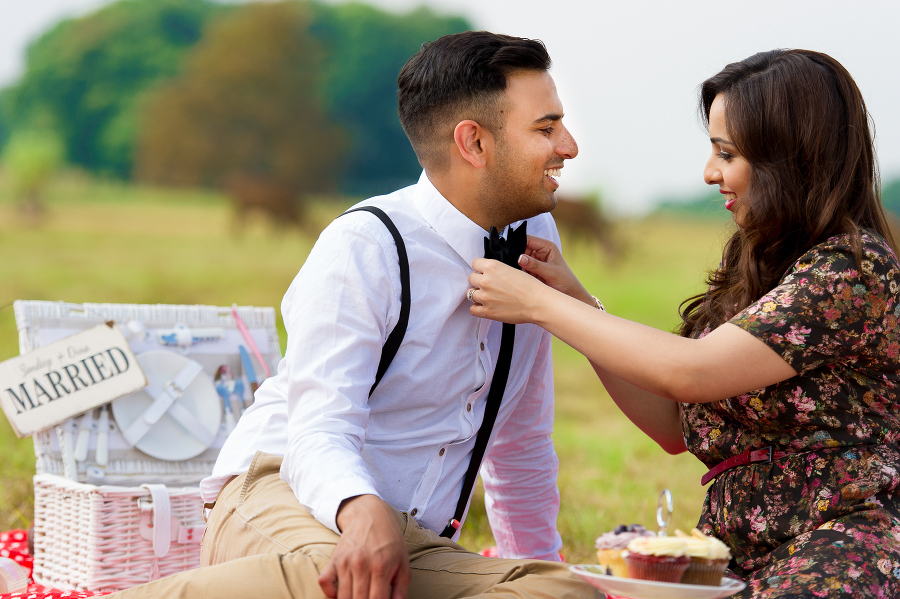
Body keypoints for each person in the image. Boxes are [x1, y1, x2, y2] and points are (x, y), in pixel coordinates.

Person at [109, 31, 600, 599]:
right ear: (474, 142)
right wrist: (361, 510)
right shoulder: (366, 245)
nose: (568, 145)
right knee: (340, 584)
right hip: (287, 494)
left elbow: (520, 443)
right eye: (546, 127)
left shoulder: (534, 237)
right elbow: (319, 431)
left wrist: (539, 573)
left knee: (566, 596)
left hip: (412, 539)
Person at [467, 49, 900, 598]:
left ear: (790, 158)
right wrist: (571, 296)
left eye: (727, 153)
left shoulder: (852, 272)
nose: (710, 172)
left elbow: (691, 372)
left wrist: (542, 305)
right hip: (731, 550)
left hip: (839, 548)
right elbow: (674, 424)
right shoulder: (756, 262)